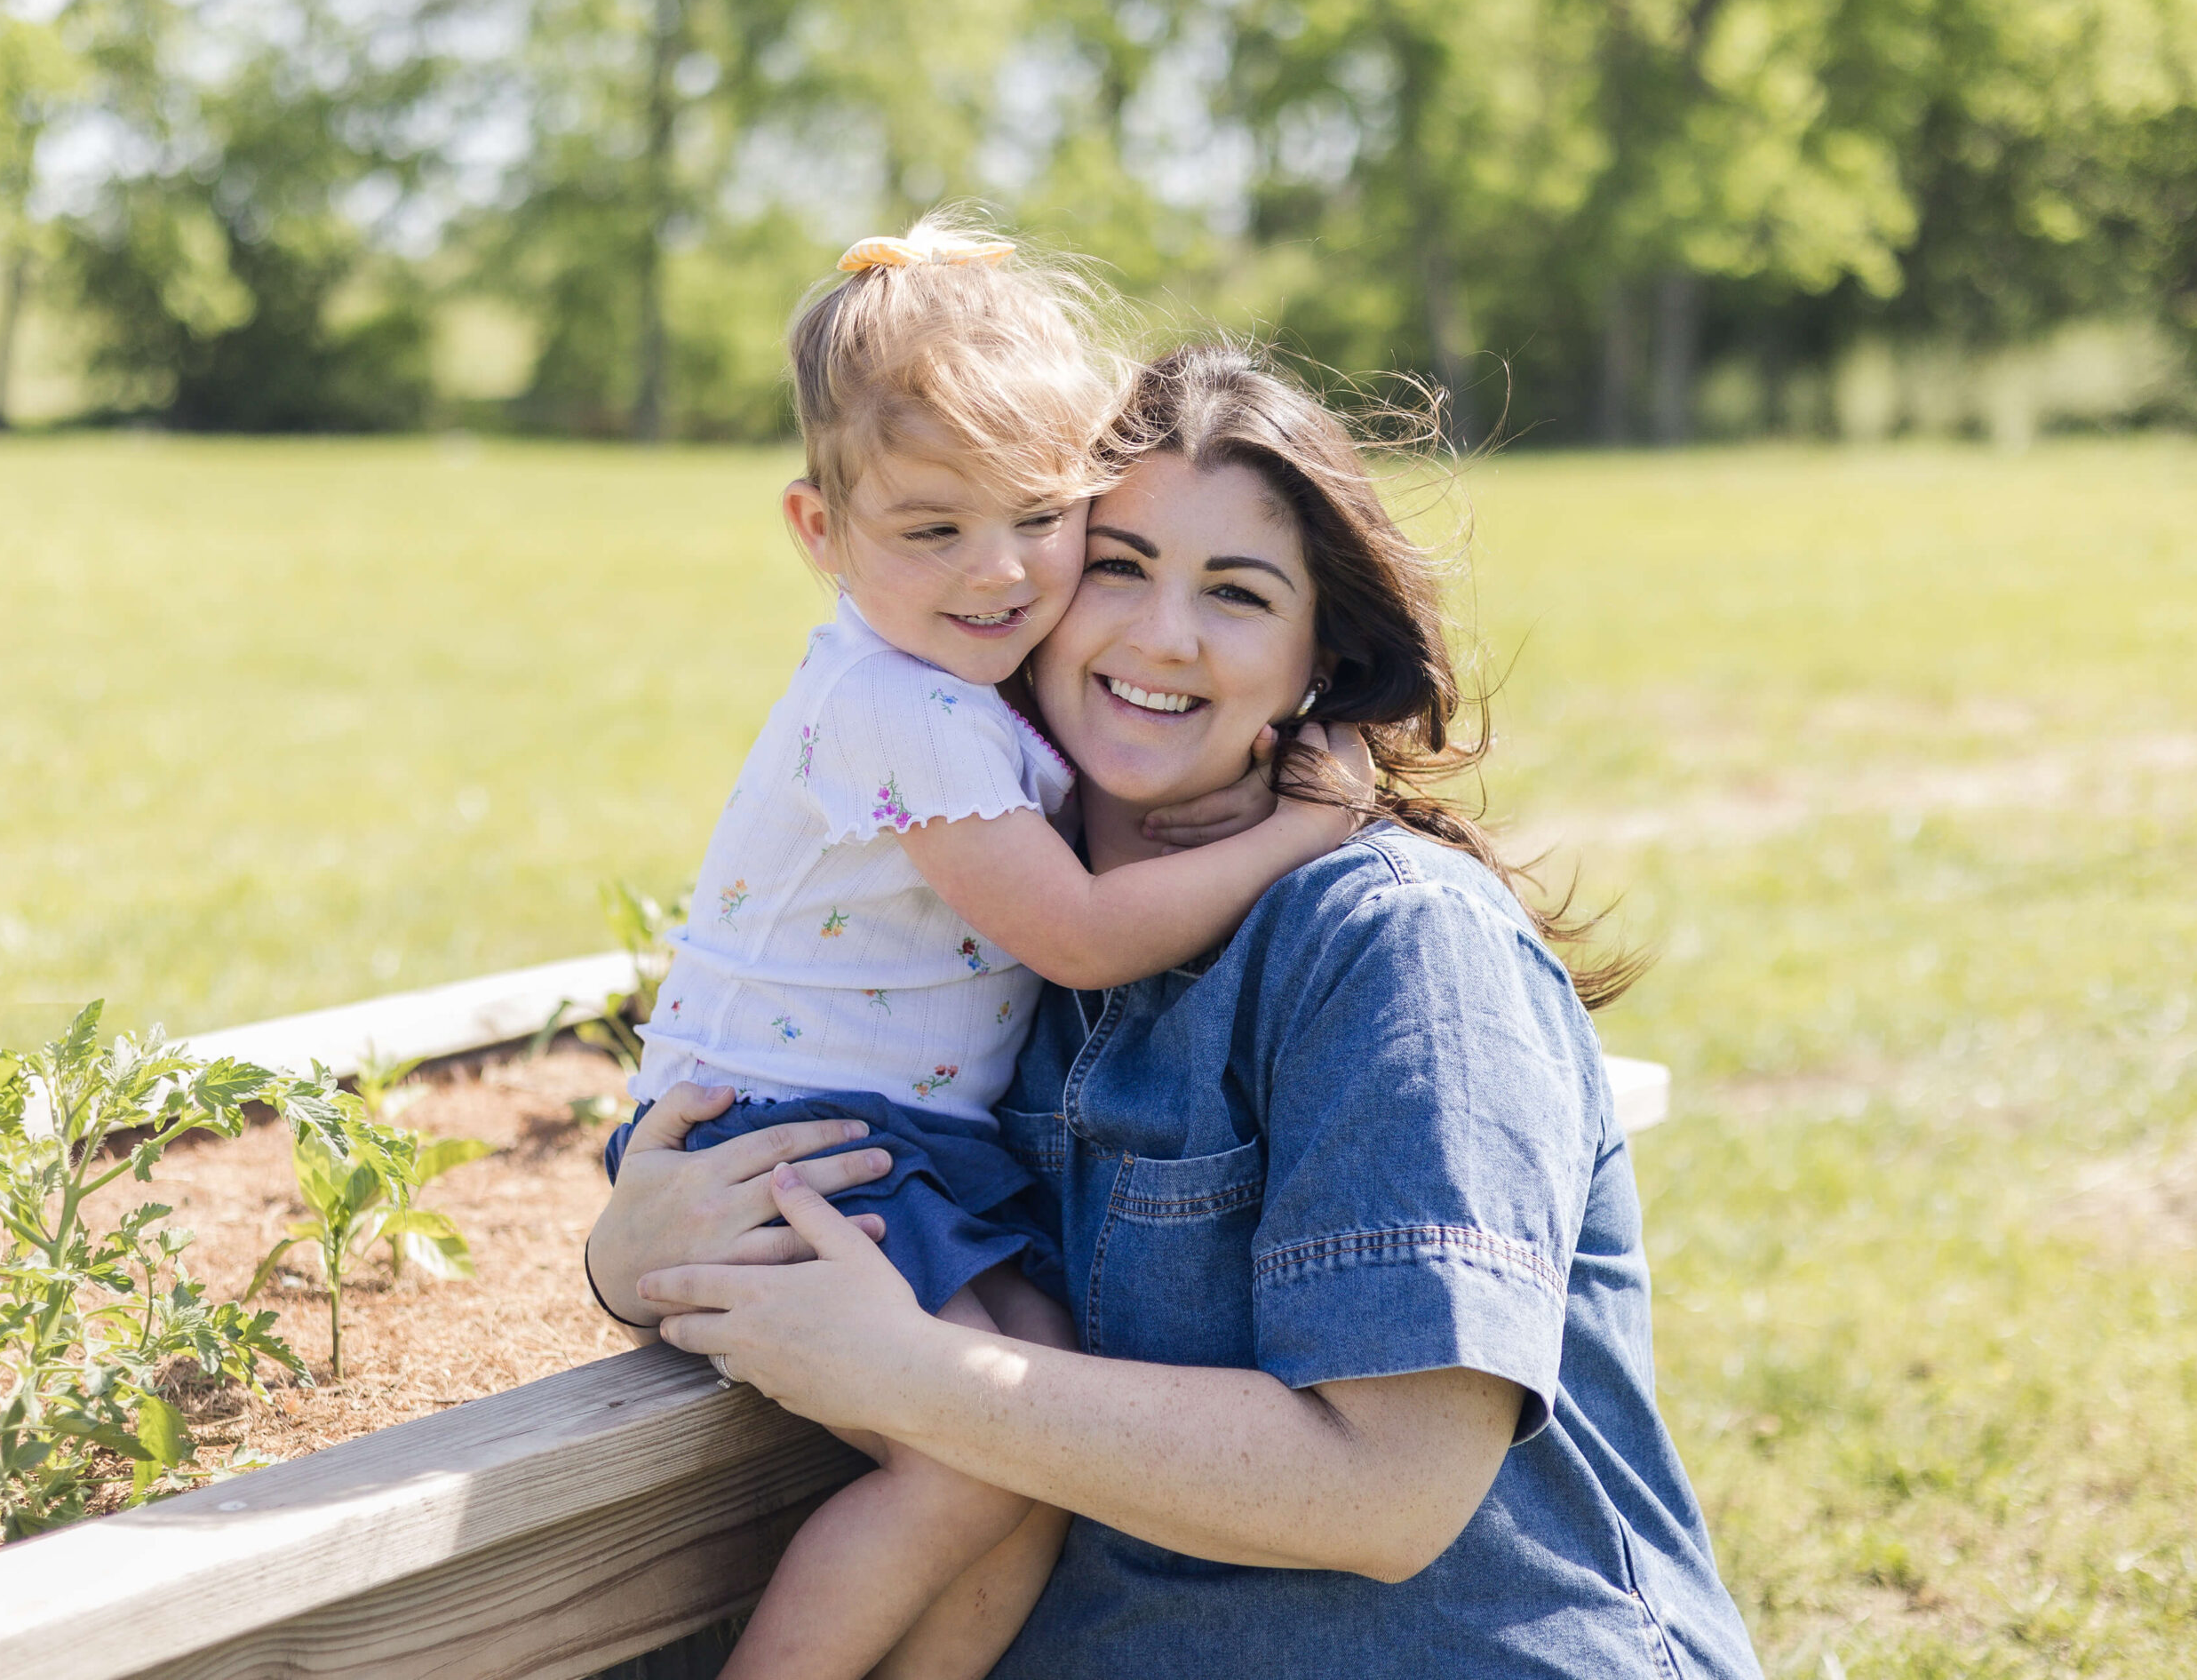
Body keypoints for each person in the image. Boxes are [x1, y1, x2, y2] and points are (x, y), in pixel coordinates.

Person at [592, 343, 1765, 1678]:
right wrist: (631, 1257)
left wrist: (913, 1378)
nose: (1161, 636)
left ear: (1320, 657)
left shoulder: (1393, 942)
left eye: (1238, 594)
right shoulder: (979, 948)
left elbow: (1390, 1495)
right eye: (1118, 564)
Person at [599, 241, 1368, 1680]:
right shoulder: (906, 710)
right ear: (817, 531)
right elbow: (1073, 930)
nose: (1000, 570)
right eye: (932, 530)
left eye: (1040, 514)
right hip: (796, 1143)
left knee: (1035, 1441)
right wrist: (1294, 834)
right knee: (965, 1455)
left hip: (908, 1148)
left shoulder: (968, 687)